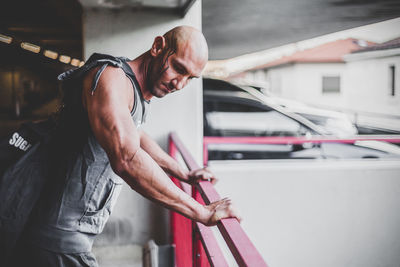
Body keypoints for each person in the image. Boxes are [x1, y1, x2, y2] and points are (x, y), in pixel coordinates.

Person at [10, 26, 240, 266]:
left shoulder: (133, 88)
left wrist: (182, 172)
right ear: (158, 47)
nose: (180, 84)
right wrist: (201, 212)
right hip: (56, 236)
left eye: (189, 78)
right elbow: (127, 158)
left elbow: (135, 136)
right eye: (178, 69)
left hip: (68, 236)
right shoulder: (112, 79)